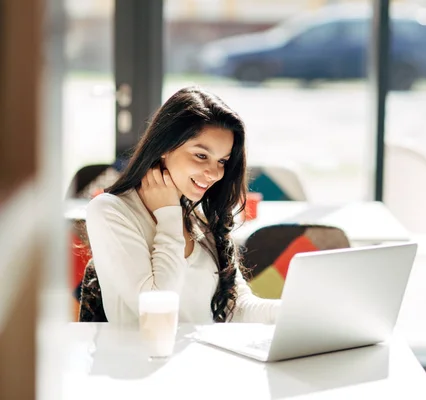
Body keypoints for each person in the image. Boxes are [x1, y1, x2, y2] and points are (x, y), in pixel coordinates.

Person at [85, 87, 280, 326]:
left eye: (222, 161)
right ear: (166, 147)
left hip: (205, 358)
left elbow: (237, 308)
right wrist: (168, 217)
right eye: (201, 156)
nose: (214, 173)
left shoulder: (202, 216)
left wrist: (295, 310)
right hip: (144, 361)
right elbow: (155, 311)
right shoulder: (110, 211)